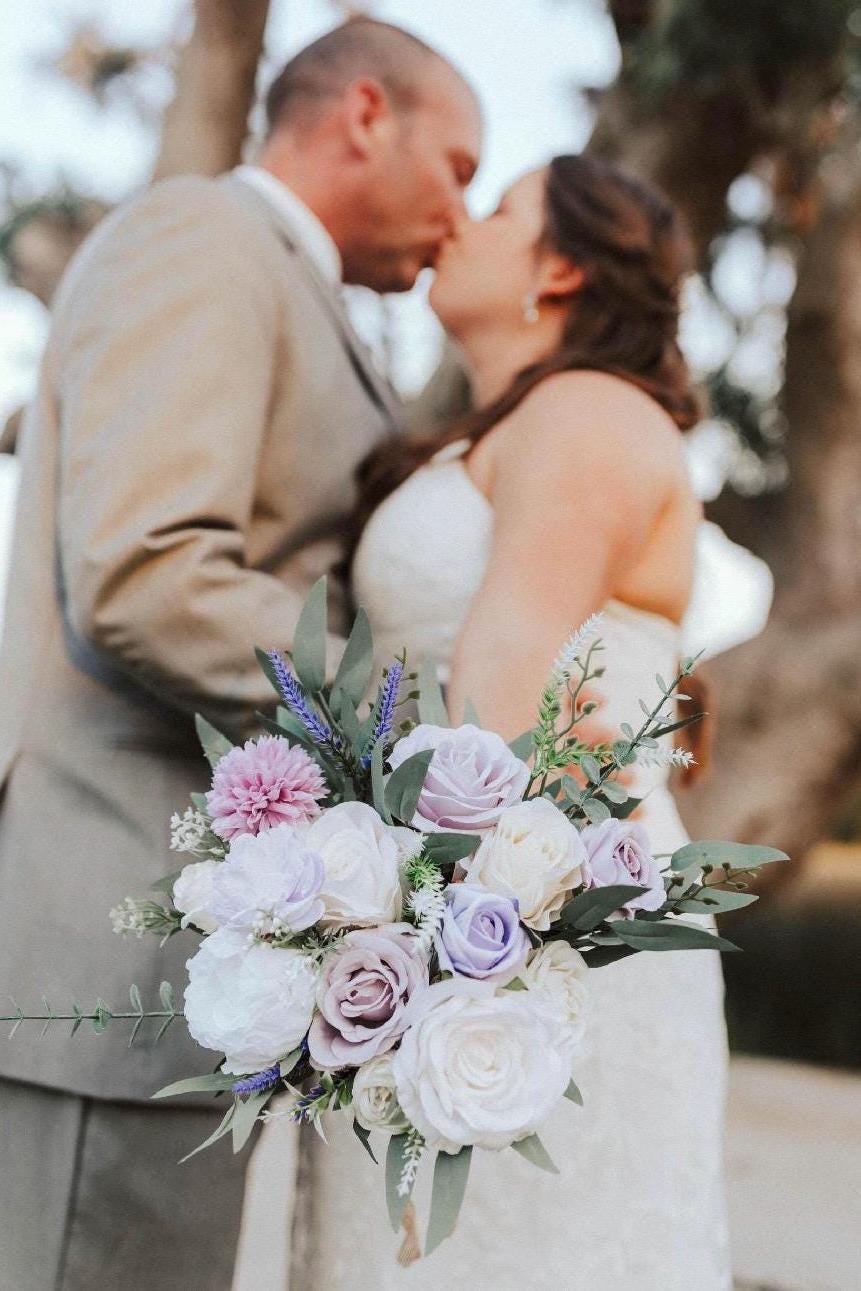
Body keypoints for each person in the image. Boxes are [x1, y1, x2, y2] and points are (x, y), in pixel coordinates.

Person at [0, 20, 481, 1291]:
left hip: (200, 959)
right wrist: (422, 717)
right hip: (111, 938)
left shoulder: (295, 289)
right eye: (461, 165)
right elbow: (146, 577)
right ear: (366, 114)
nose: (462, 214)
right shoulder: (206, 241)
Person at [302, 155, 732, 1289]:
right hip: (451, 918)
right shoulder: (506, 424)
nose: (458, 220)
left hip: (546, 937)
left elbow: (508, 679)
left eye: (496, 210)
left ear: (559, 268)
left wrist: (420, 940)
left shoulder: (588, 410)